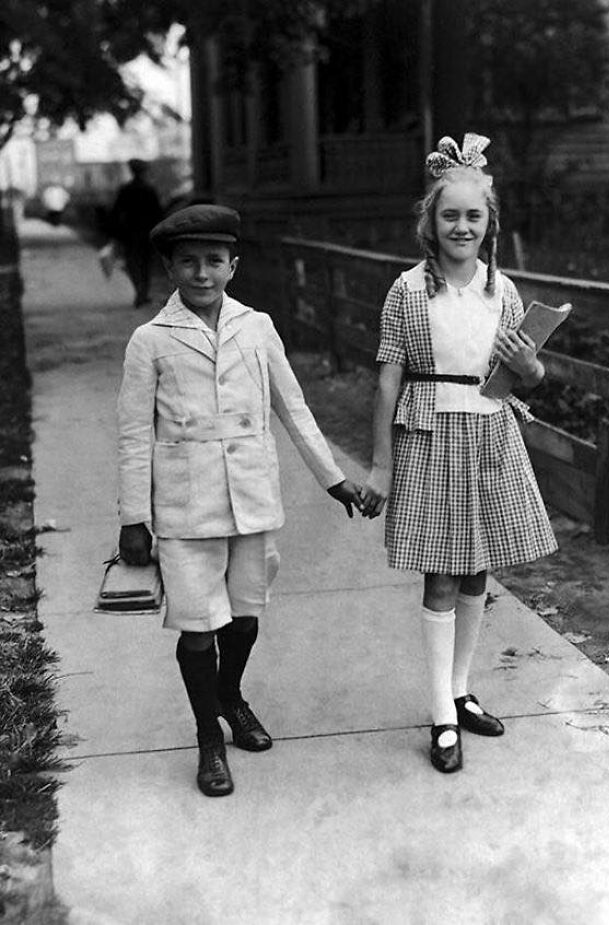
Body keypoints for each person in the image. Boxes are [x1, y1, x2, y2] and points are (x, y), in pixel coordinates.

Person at [116, 204, 362, 797]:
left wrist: (333, 478)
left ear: (234, 264)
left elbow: (293, 406)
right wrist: (134, 519)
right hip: (185, 506)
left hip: (251, 497)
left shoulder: (257, 326)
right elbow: (132, 435)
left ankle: (231, 696)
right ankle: (208, 737)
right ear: (171, 268)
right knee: (198, 625)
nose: (202, 273)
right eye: (188, 262)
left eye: (214, 261)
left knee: (245, 614)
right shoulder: (150, 340)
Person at [360, 133, 557, 774]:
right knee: (440, 575)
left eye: (474, 216)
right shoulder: (409, 290)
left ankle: (461, 688)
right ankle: (442, 712)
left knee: (478, 572)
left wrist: (531, 367)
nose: (462, 226)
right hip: (429, 436)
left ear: (489, 223)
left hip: (489, 436)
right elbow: (388, 377)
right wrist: (382, 463)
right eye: (450, 215)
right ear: (431, 221)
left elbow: (531, 375)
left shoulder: (503, 291)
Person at [110, 159, 163, 307]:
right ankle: (143, 294)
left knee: (132, 263)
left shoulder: (125, 189)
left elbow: (116, 212)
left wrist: (116, 233)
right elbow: (158, 213)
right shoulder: (149, 189)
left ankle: (138, 291)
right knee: (146, 264)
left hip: (129, 233)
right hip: (147, 233)